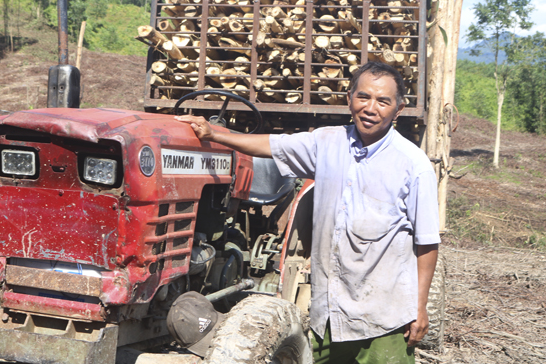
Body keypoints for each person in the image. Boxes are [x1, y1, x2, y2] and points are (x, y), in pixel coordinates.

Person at [175, 61, 440, 364]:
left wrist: (419, 307)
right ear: (349, 97)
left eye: (383, 101)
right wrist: (214, 134)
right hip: (330, 313)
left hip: (383, 316)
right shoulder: (327, 141)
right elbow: (272, 145)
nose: (370, 108)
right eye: (363, 97)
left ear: (399, 108)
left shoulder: (413, 165)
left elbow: (427, 242)